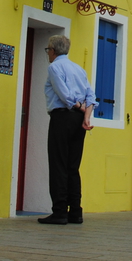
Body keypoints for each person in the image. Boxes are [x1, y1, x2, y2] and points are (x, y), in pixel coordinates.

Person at [38, 34, 96, 225]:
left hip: (63, 116)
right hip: (79, 120)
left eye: (48, 50)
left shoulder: (55, 67)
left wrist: (78, 107)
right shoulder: (79, 69)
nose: (48, 54)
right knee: (73, 166)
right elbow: (91, 95)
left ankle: (60, 211)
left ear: (53, 51)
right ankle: (76, 211)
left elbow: (65, 95)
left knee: (58, 164)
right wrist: (86, 116)